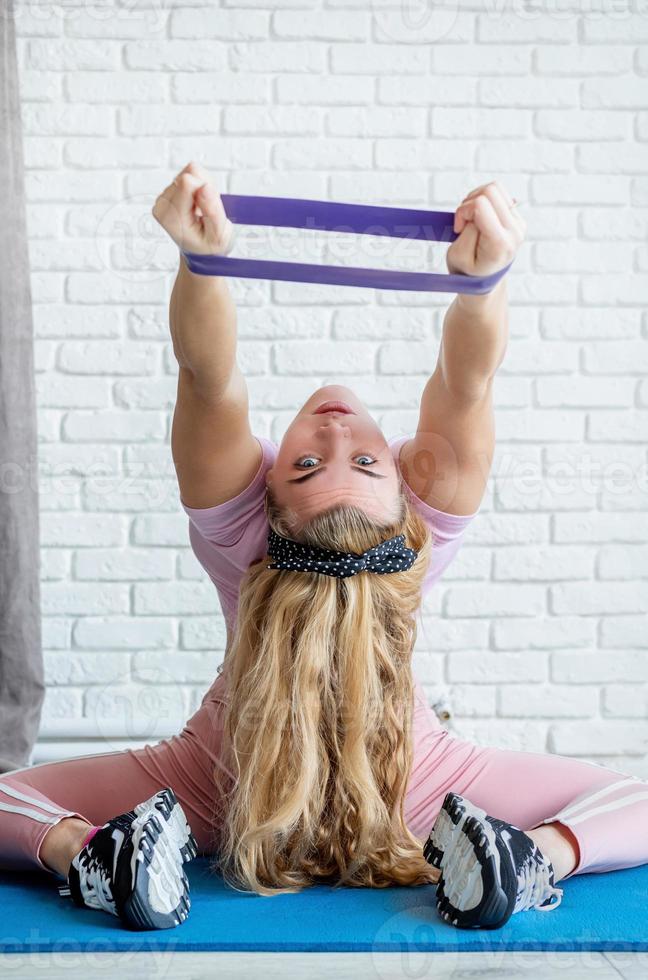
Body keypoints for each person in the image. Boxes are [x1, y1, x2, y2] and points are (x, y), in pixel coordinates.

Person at [0, 163, 646, 933]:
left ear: (264, 497)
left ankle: (91, 856)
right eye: (335, 459)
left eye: (327, 460)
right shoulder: (422, 530)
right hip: (411, 783)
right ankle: (528, 859)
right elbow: (466, 384)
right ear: (409, 501)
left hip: (223, 780)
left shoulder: (241, 528)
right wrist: (485, 282)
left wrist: (203, 264)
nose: (337, 432)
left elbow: (209, 380)